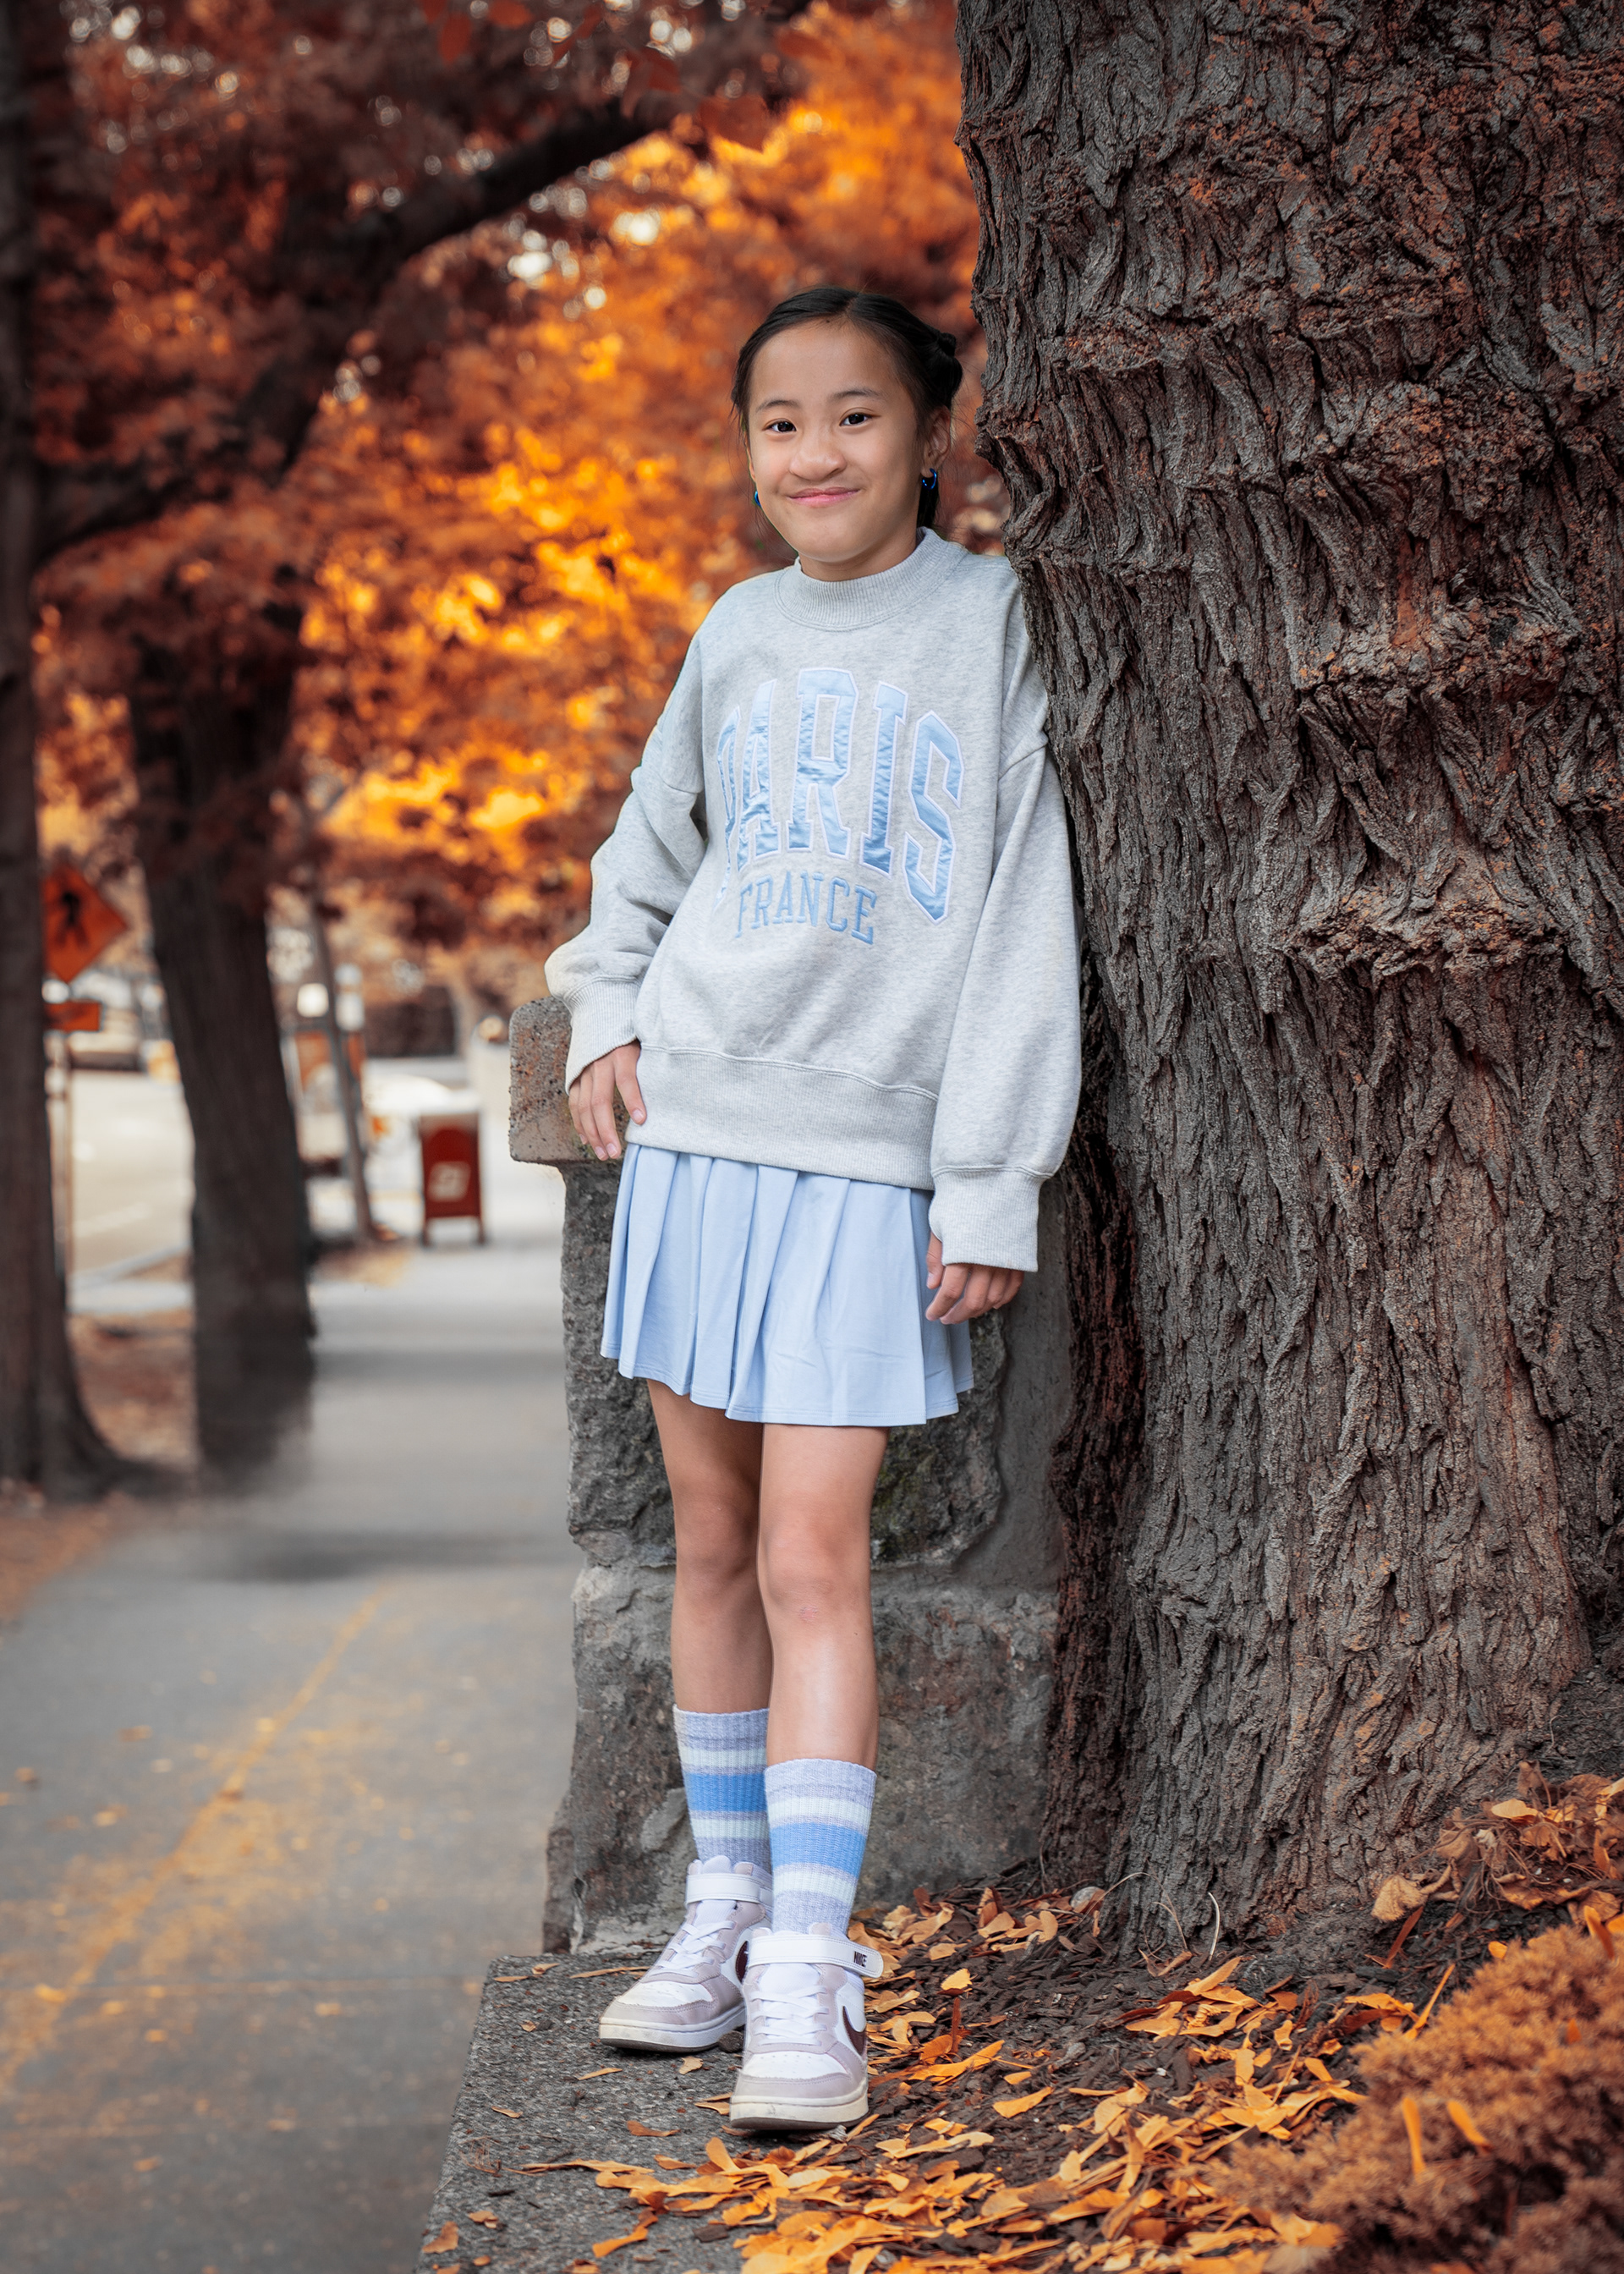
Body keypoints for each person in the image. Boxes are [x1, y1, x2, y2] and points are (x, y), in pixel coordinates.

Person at [545, 286, 1081, 2132]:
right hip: (696, 1139)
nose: (815, 453)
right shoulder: (736, 631)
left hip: (866, 1169)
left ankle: (809, 1963)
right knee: (705, 1549)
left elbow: (1025, 912)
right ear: (749, 450)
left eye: (855, 415)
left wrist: (991, 1170)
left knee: (810, 1561)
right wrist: (604, 1016)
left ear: (928, 431)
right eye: (780, 422)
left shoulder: (997, 623)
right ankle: (720, 1914)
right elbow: (643, 856)